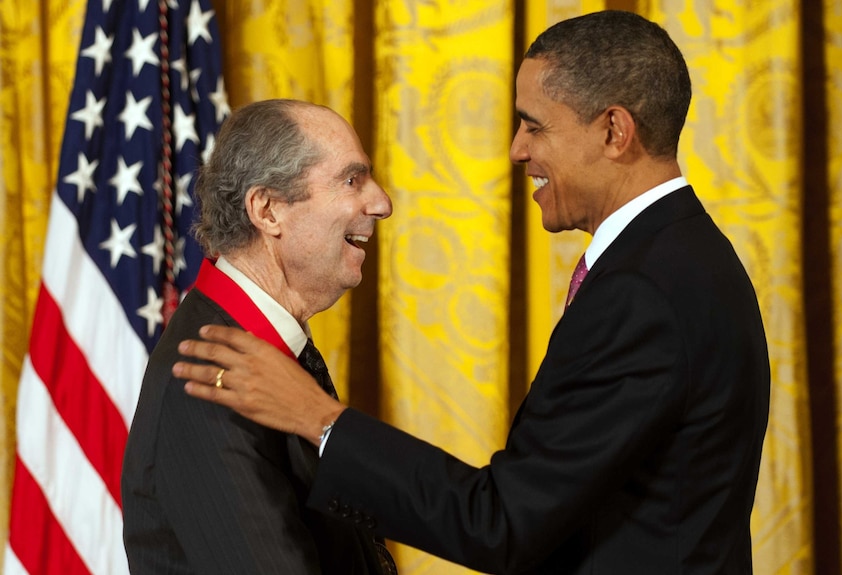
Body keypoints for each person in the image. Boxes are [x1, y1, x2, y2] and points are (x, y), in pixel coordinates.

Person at [173, 11, 770, 574]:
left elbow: (502, 521)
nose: (516, 149)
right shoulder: (686, 258)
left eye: (535, 125)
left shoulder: (644, 291)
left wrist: (320, 419)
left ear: (614, 130)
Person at [121, 98, 397, 574]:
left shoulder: (251, 347)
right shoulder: (210, 380)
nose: (382, 203)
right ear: (268, 211)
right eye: (352, 180)